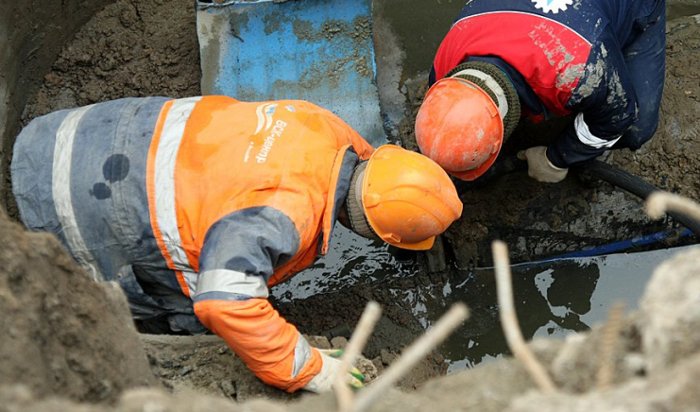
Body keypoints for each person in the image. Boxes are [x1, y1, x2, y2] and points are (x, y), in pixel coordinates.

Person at [11, 95, 462, 393]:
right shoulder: (286, 215)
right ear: (371, 229)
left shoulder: (326, 126)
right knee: (198, 308)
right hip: (69, 207)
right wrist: (311, 368)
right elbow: (224, 302)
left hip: (77, 134)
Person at [415, 0, 666, 183]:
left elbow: (618, 116)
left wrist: (556, 158)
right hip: (562, 22)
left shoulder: (581, 72)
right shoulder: (443, 64)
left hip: (620, 13)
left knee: (637, 127)